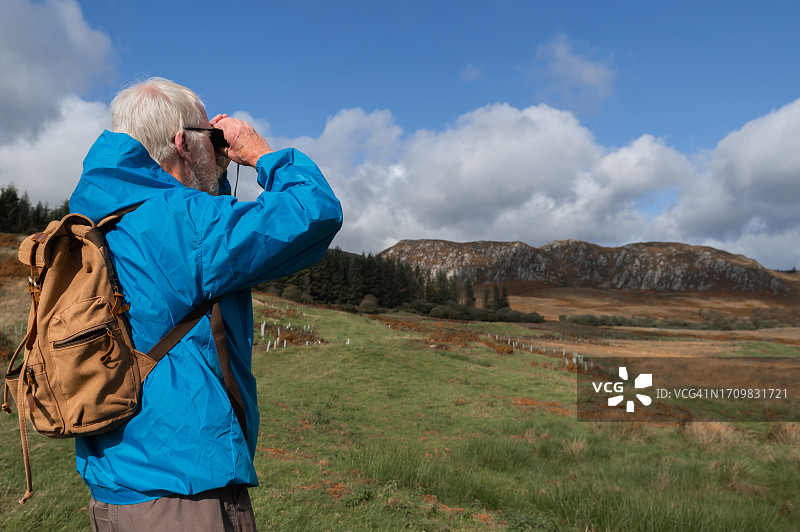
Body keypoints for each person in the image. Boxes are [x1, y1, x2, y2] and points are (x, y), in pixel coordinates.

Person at [68, 77, 343, 531]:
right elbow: (315, 211)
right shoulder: (186, 223)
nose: (218, 151)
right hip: (183, 494)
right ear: (181, 143)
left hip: (111, 489)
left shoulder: (95, 217)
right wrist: (258, 152)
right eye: (210, 140)